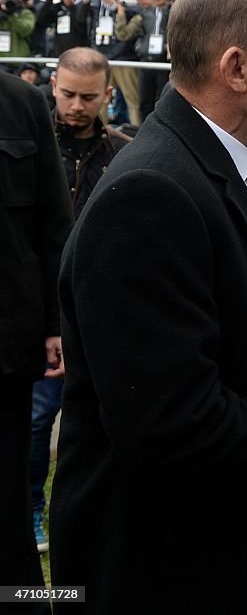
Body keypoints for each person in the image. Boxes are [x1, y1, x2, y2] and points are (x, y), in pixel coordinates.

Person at [50, 0, 247, 614]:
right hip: (167, 573)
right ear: (236, 68)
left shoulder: (228, 165)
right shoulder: (149, 196)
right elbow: (169, 427)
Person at [30, 48, 128, 553]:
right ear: (52, 85)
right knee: (36, 419)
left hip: (104, 311)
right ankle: (31, 509)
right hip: (41, 309)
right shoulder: (32, 146)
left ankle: (99, 517)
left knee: (109, 422)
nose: (75, 105)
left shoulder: (125, 151)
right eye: (67, 93)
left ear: (108, 95)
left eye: (88, 97)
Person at [0, 69, 72, 613]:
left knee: (7, 513)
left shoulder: (22, 103)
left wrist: (55, 323)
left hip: (7, 345)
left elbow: (53, 226)